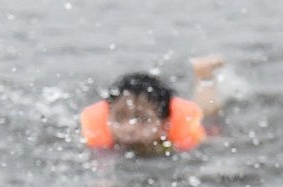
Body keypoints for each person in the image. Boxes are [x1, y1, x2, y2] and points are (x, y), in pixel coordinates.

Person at [80, 56, 224, 154]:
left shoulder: (178, 142)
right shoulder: (98, 139)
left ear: (164, 124)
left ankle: (204, 76)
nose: (129, 128)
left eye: (143, 119)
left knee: (208, 114)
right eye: (119, 118)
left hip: (191, 124)